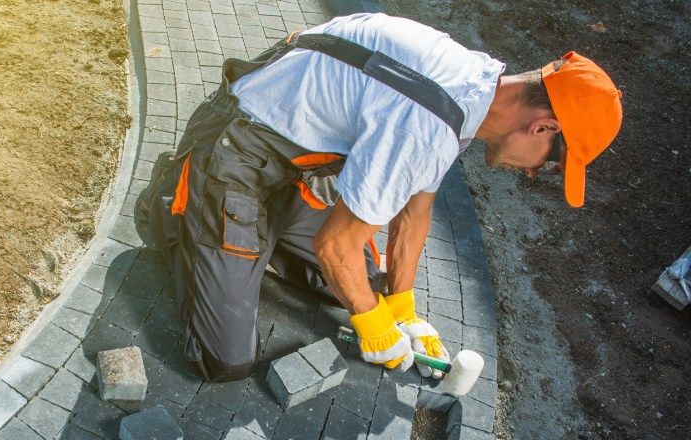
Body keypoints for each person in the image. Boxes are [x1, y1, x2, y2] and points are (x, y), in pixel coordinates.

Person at [135, 12, 623, 382]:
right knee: (226, 360)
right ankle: (175, 208)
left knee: (364, 281)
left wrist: (403, 306)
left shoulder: (474, 88)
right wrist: (372, 324)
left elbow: (416, 209)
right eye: (549, 162)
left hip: (297, 160)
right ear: (544, 126)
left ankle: (252, 234)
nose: (536, 172)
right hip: (237, 147)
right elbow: (334, 246)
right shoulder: (430, 121)